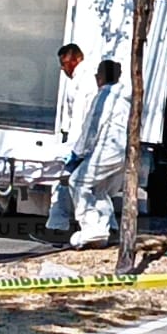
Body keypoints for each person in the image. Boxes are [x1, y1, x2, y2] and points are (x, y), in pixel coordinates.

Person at [37, 44, 99, 244]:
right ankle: (88, 227)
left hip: (79, 142)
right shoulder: (80, 78)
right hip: (79, 141)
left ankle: (58, 228)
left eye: (65, 64)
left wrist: (74, 149)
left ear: (76, 59)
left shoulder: (85, 79)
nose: (63, 69)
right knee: (84, 187)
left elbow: (81, 116)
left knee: (64, 184)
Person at [68, 60, 131, 249]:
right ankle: (106, 227)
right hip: (123, 151)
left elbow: (92, 128)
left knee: (77, 182)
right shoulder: (127, 96)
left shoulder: (104, 96)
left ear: (101, 77)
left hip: (107, 148)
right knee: (99, 189)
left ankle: (91, 227)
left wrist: (77, 153)